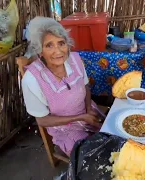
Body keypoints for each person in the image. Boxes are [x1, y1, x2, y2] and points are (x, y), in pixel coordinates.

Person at [21, 17, 104, 156]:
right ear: (40, 51)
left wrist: (88, 109)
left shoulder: (75, 59)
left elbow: (85, 86)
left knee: (114, 137)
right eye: (49, 45)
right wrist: (81, 118)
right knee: (92, 157)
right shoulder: (31, 79)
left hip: (88, 112)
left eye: (61, 43)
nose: (58, 51)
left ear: (68, 44)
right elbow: (42, 120)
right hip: (65, 128)